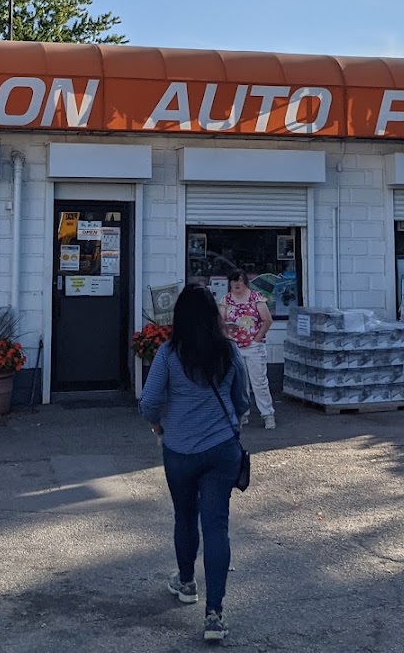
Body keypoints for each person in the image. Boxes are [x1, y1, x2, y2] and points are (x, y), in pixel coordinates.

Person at [139, 283, 250, 644]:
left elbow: (148, 402)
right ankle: (214, 614)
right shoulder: (229, 351)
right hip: (221, 451)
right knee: (217, 527)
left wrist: (159, 426)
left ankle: (186, 582)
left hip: (180, 450)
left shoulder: (169, 353)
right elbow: (243, 401)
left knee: (184, 517)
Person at [220, 270, 275, 429]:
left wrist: (257, 338)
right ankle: (243, 414)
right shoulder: (226, 300)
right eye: (233, 281)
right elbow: (219, 321)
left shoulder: (256, 298)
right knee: (240, 383)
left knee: (259, 382)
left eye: (240, 281)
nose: (237, 284)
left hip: (253, 346)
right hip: (234, 345)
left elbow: (267, 320)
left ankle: (267, 414)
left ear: (245, 282)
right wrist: (226, 335)